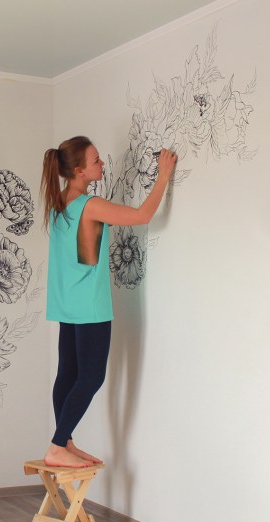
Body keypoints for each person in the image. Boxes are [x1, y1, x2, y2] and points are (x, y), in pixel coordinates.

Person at [41, 136, 177, 468]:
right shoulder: (89, 205)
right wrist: (163, 175)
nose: (102, 164)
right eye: (96, 161)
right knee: (91, 377)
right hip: (90, 306)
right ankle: (58, 445)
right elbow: (143, 216)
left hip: (67, 304)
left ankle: (64, 441)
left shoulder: (58, 203)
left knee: (68, 373)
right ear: (79, 171)